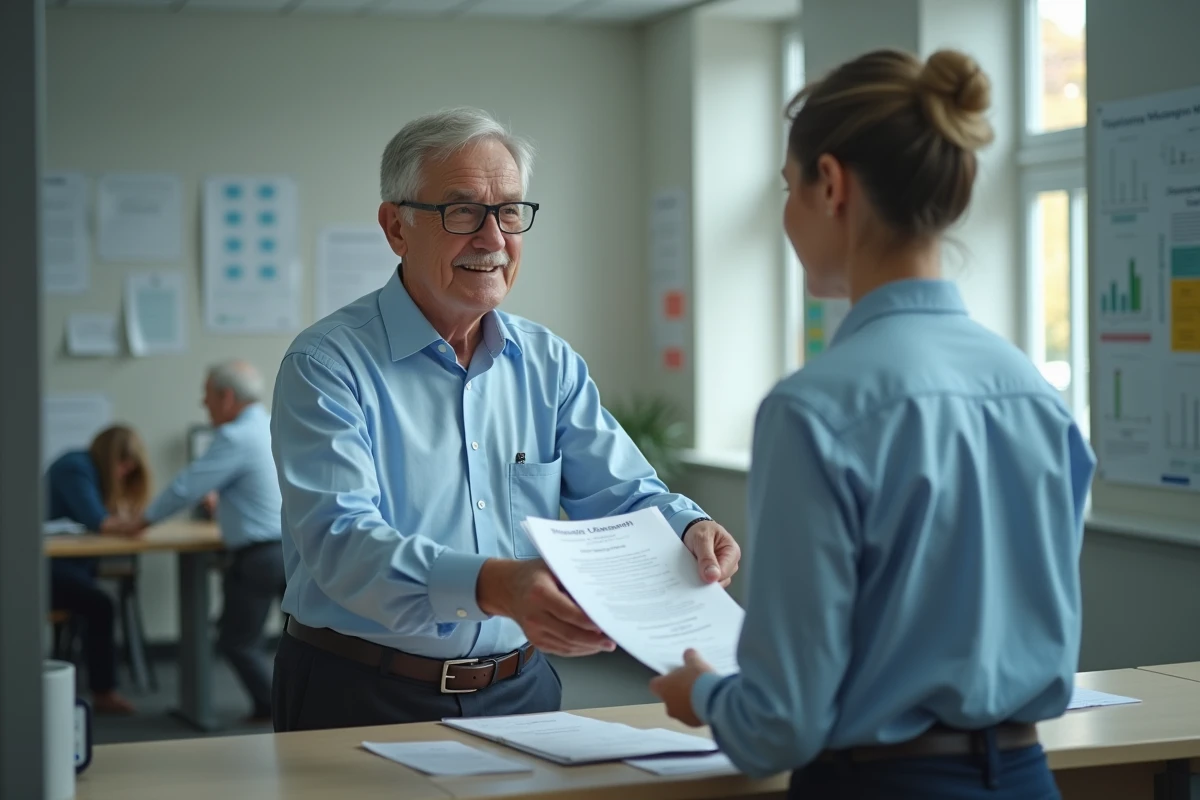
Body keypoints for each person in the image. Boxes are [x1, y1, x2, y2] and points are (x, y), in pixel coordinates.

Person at [650, 49, 1096, 799]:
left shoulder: (813, 411)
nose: (787, 218)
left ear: (831, 184)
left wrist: (701, 695)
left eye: (788, 188)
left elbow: (777, 728)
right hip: (1026, 777)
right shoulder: (1036, 395)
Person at [270, 107, 741, 732]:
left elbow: (623, 492)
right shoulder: (327, 365)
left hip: (522, 688)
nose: (493, 239)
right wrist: (493, 585)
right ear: (396, 227)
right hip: (362, 691)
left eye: (510, 211)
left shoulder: (548, 363)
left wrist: (688, 528)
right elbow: (341, 545)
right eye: (461, 211)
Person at [136, 360, 285, 724]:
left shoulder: (234, 436)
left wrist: (140, 521)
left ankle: (272, 708)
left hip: (261, 556)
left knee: (237, 641)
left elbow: (185, 487)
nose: (204, 406)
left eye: (207, 397)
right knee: (301, 639)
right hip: (291, 549)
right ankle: (292, 709)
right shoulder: (272, 427)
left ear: (227, 396)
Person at [46, 425, 151, 715]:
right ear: (109, 457)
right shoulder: (75, 468)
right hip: (45, 573)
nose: (124, 474)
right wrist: (146, 520)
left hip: (71, 568)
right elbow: (99, 521)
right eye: (123, 465)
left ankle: (98, 685)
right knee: (100, 605)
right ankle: (104, 692)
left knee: (96, 602)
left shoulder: (86, 469)